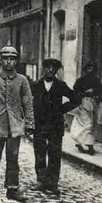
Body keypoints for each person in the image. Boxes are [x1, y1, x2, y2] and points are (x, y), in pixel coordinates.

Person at [0, 45, 34, 202]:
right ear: (0, 60)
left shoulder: (22, 80)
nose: (9, 62)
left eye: (12, 59)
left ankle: (12, 188)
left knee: (13, 157)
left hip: (15, 125)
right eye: (6, 59)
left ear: (16, 61)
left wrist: (29, 124)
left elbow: (28, 103)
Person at [31, 58, 81, 195]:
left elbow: (76, 99)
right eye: (47, 68)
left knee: (55, 154)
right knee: (39, 153)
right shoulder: (35, 85)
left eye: (54, 68)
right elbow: (27, 102)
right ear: (43, 69)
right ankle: (41, 180)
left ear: (56, 71)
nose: (50, 70)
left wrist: (62, 109)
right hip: (39, 125)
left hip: (55, 125)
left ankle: (52, 183)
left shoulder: (61, 86)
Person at [69, 63, 102, 155]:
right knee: (87, 124)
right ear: (86, 69)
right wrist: (84, 93)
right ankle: (89, 146)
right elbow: (75, 91)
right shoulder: (81, 80)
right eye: (89, 68)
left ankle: (82, 143)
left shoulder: (96, 80)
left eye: (92, 68)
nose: (90, 70)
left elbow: (101, 91)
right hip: (83, 103)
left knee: (91, 124)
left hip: (93, 104)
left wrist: (100, 98)